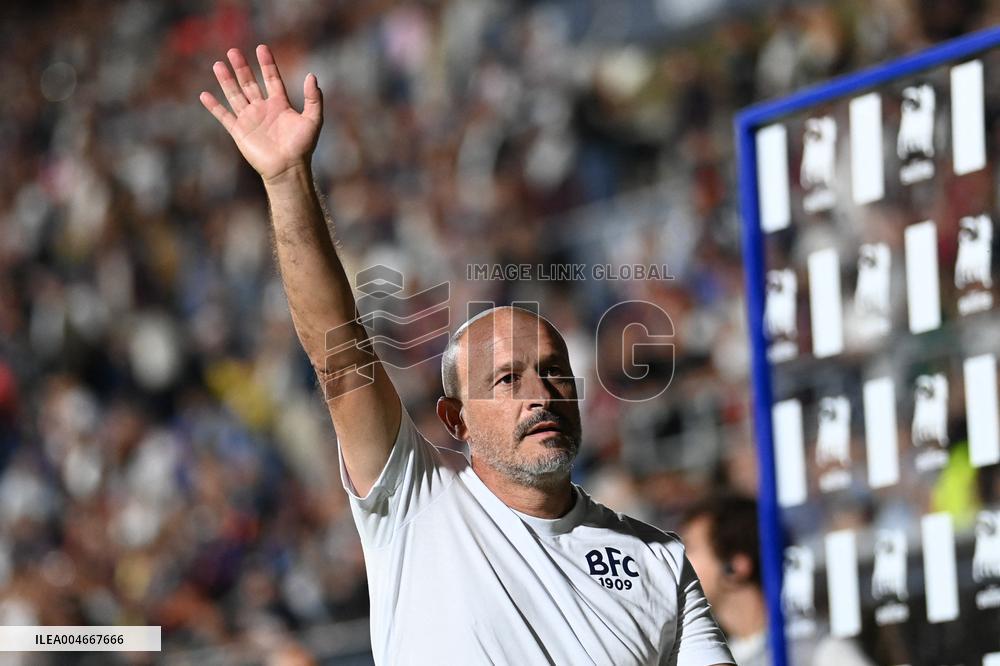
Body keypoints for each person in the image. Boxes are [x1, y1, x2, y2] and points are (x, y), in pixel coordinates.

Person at [200, 44, 734, 666]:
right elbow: (340, 353)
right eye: (507, 379)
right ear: (455, 420)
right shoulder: (415, 502)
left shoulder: (659, 562)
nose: (540, 393)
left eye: (554, 372)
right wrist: (288, 180)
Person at [680, 493, 874, 666]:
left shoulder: (819, 650)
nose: (675, 562)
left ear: (736, 566)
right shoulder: (706, 657)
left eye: (689, 549)